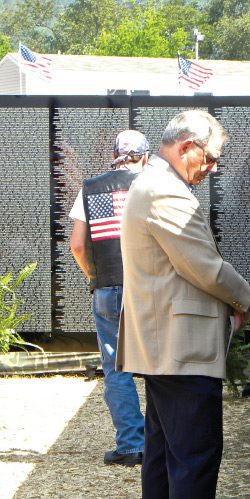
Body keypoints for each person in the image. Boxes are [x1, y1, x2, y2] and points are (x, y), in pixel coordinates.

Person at [117, 110, 250, 499]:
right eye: (211, 157)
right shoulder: (167, 191)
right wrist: (245, 296)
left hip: (163, 343)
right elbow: (205, 267)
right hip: (181, 345)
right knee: (194, 458)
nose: (213, 167)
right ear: (186, 146)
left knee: (165, 460)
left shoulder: (150, 183)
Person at [69, 130, 149, 466]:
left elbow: (76, 244)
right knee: (161, 365)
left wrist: (93, 275)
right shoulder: (152, 187)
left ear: (114, 154)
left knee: (117, 369)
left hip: (107, 288)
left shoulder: (90, 188)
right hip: (148, 289)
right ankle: (164, 443)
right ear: (144, 157)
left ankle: (131, 445)